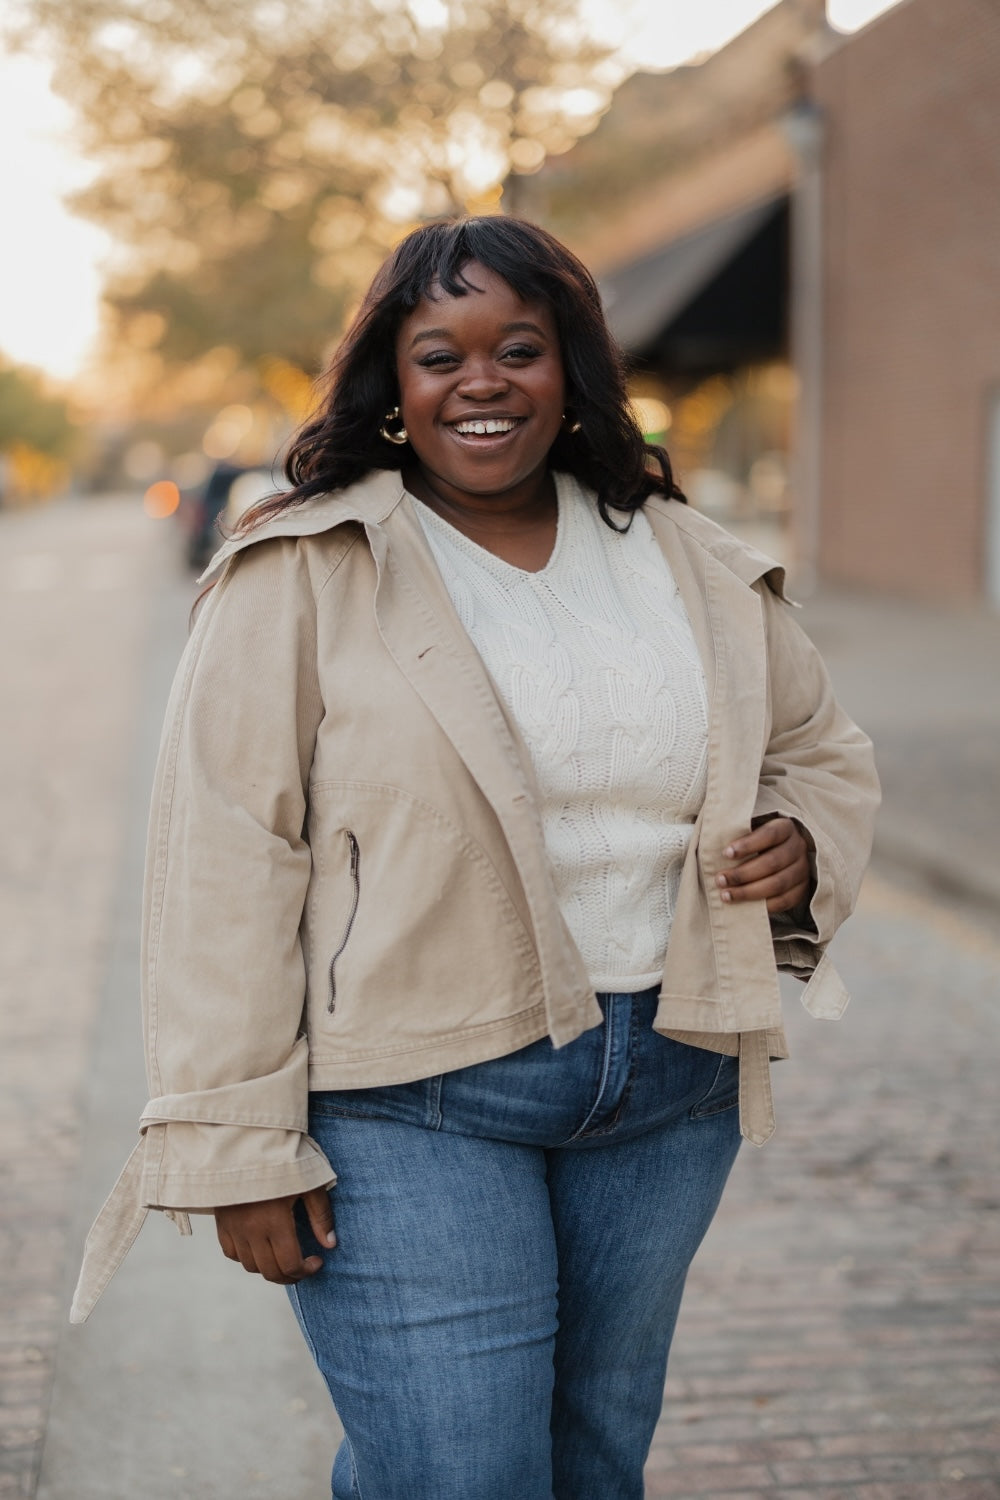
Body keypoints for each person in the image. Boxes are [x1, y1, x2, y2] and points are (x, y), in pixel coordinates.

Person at [73, 216, 879, 1499]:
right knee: (460, 1473)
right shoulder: (302, 568)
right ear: (393, 385)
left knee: (589, 1465)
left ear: (572, 371)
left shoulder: (683, 554)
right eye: (439, 355)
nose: (482, 381)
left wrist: (801, 838)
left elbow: (819, 746)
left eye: (520, 347)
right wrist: (234, 1146)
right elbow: (228, 862)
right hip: (411, 1099)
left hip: (671, 1089)